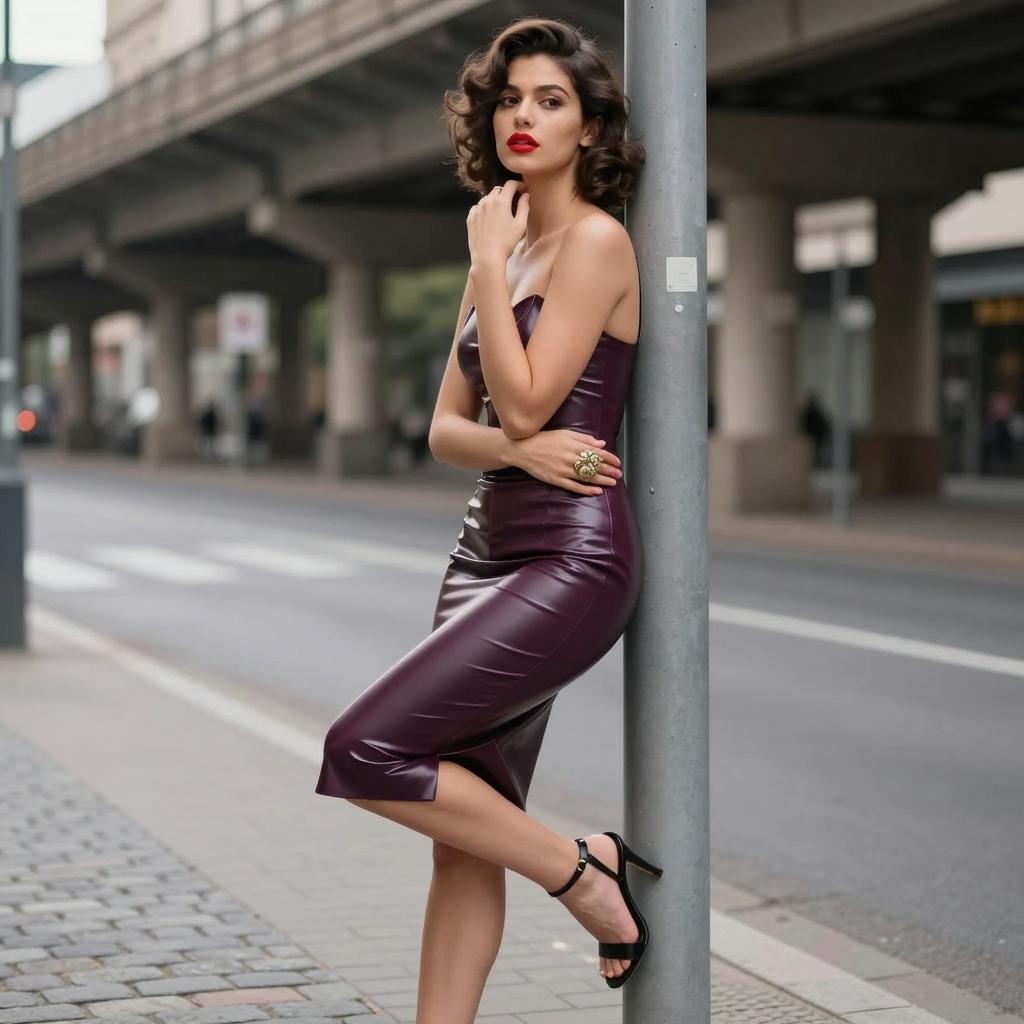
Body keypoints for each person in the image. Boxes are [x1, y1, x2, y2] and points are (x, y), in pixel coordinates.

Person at [314, 17, 662, 1020]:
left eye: (550, 101)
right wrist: (515, 448)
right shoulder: (511, 245)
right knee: (463, 827)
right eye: (510, 98)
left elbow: (519, 402)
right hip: (482, 553)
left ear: (589, 127)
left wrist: (482, 263)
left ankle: (589, 874)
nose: (523, 116)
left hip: (570, 560)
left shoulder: (593, 241)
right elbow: (446, 431)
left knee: (366, 749)